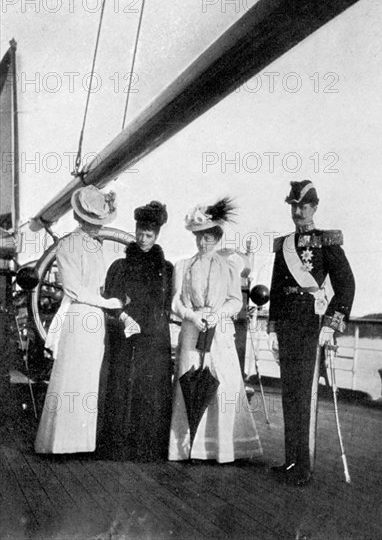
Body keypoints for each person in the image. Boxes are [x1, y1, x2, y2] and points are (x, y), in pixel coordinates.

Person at [268, 180, 355, 486]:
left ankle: (304, 466)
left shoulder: (327, 242)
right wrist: (273, 329)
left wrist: (331, 325)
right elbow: (277, 290)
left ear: (314, 207)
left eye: (303, 206)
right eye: (293, 205)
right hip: (289, 328)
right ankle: (291, 461)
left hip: (312, 328)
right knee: (289, 394)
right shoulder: (285, 245)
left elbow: (346, 286)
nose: (297, 211)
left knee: (306, 396)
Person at [168, 198, 262, 463]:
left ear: (217, 238)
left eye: (207, 238)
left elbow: (235, 301)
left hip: (218, 333)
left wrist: (216, 314)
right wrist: (191, 315)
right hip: (191, 328)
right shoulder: (183, 266)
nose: (202, 243)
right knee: (189, 381)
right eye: (198, 237)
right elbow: (176, 300)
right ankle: (187, 447)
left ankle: (220, 448)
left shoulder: (229, 267)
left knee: (222, 385)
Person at [35, 185, 123, 454]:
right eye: (91, 222)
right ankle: (60, 442)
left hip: (94, 318)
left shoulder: (96, 246)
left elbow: (98, 285)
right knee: (71, 375)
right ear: (80, 219)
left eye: (99, 223)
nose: (96, 227)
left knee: (87, 378)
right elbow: (74, 288)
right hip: (79, 314)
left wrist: (108, 301)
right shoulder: (69, 244)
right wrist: (108, 303)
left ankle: (80, 442)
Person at [99, 201, 173, 461]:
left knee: (150, 387)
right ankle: (116, 445)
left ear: (157, 235)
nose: (143, 238)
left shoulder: (167, 269)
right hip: (125, 334)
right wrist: (125, 318)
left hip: (154, 338)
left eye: (149, 234)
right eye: (140, 232)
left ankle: (147, 447)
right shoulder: (121, 265)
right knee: (121, 386)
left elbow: (166, 305)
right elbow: (110, 300)